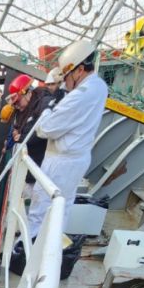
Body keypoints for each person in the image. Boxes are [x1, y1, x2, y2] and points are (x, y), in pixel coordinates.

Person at [26, 40, 108, 239]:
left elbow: (45, 129)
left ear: (79, 70)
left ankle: (28, 249)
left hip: (60, 162)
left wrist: (48, 109)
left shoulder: (80, 95)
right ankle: (49, 245)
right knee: (60, 208)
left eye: (66, 76)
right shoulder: (99, 86)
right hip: (74, 158)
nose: (64, 83)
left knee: (41, 209)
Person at [1, 74, 54, 195]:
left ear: (28, 93)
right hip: (26, 167)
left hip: (38, 166)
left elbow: (42, 130)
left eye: (18, 101)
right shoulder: (24, 108)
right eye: (14, 104)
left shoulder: (43, 104)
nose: (16, 106)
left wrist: (22, 137)